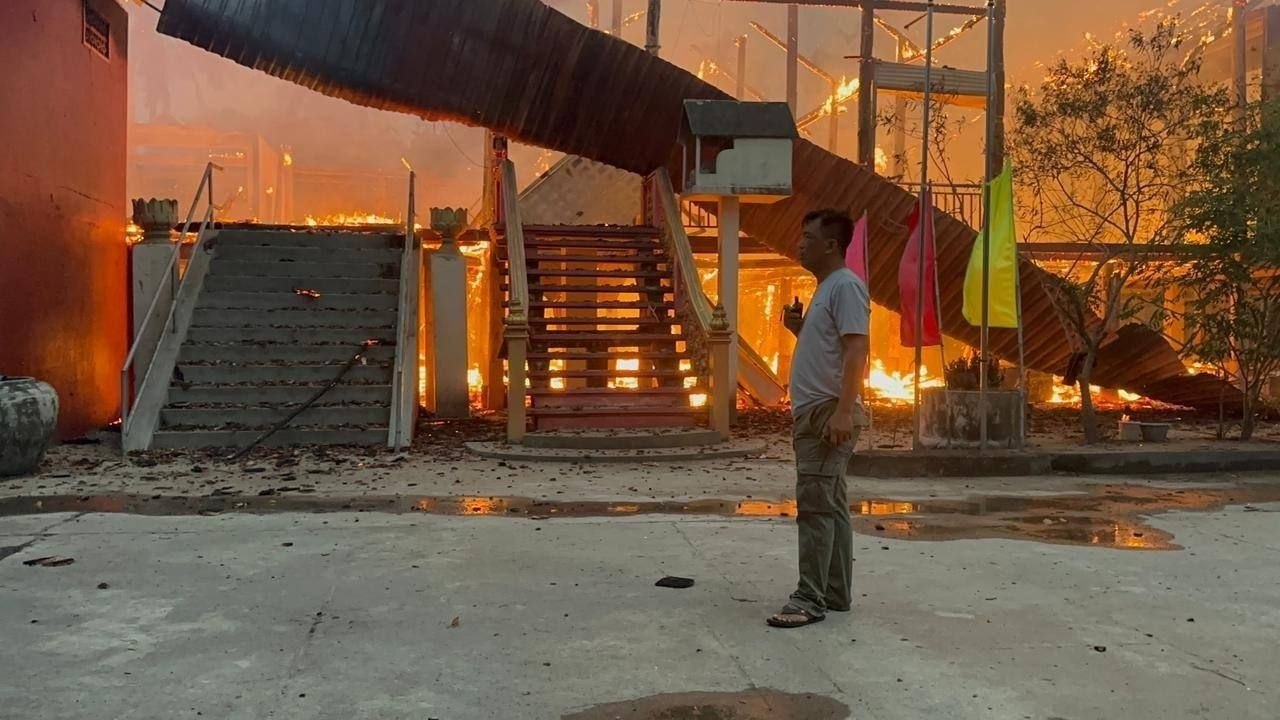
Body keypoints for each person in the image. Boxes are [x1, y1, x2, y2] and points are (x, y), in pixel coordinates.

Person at [767, 209, 870, 629]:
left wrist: (843, 411)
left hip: (827, 413)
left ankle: (809, 598)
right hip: (819, 411)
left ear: (831, 245)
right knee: (831, 504)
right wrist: (800, 329)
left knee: (814, 508)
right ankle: (835, 592)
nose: (800, 244)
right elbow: (831, 348)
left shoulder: (845, 286)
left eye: (808, 237)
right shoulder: (827, 288)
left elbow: (857, 349)